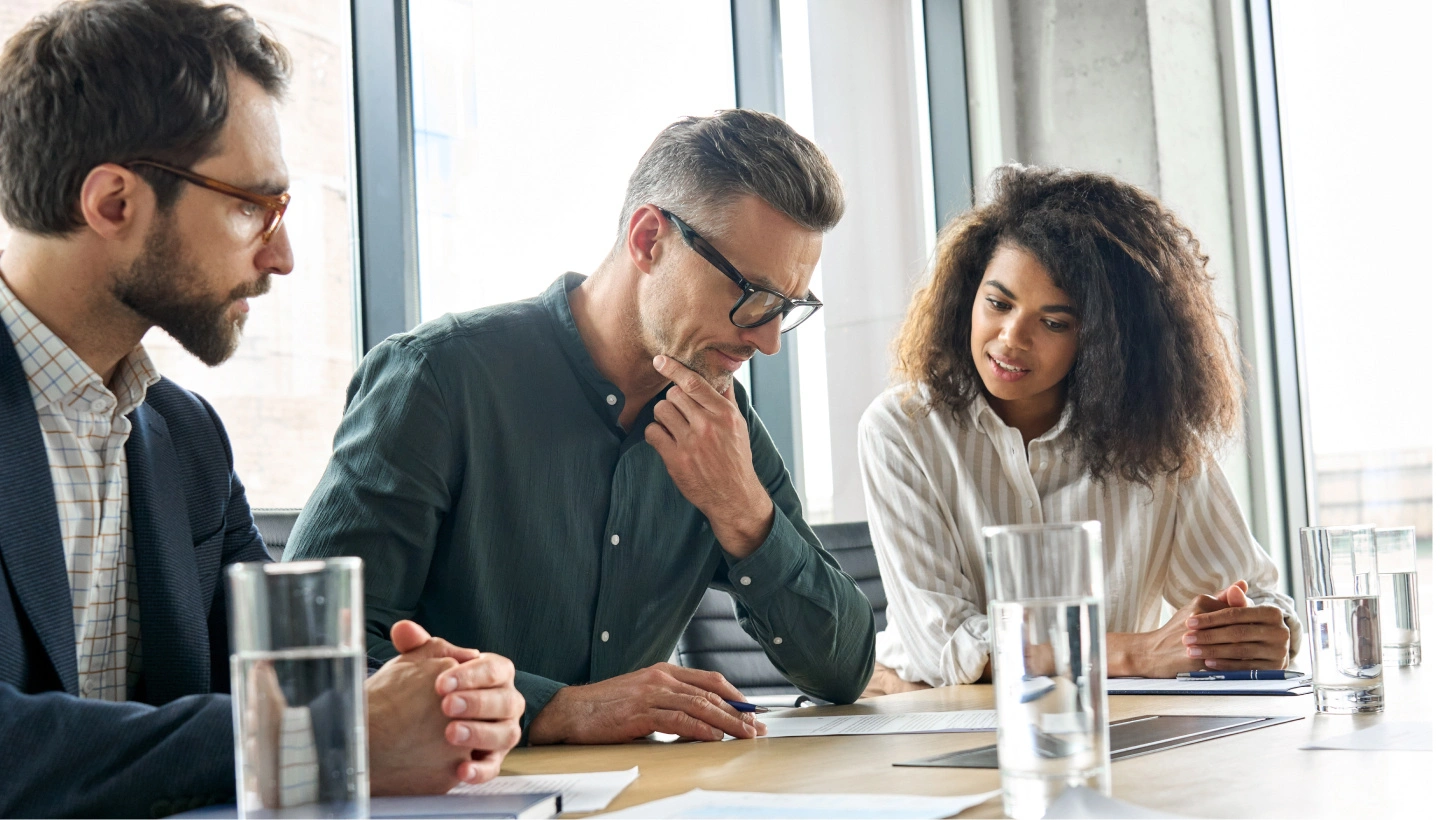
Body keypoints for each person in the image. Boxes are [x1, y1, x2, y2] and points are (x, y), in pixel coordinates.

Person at [0, 2, 521, 816]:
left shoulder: (187, 438)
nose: (280, 257)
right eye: (252, 205)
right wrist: (336, 732)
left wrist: (446, 705)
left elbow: (284, 685)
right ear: (112, 203)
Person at [286, 110, 876, 744]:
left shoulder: (721, 423)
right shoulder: (438, 379)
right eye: (752, 295)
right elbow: (307, 648)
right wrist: (557, 708)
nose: (767, 342)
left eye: (787, 309)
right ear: (650, 239)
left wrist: (743, 511)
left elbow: (842, 671)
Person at [858, 165, 1301, 694]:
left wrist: (1252, 632)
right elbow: (947, 647)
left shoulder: (1157, 440)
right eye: (998, 303)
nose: (1011, 338)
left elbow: (1259, 597)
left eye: (1054, 322)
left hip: (1111, 723)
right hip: (929, 713)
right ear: (967, 297)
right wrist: (1135, 653)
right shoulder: (901, 430)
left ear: (1103, 341)